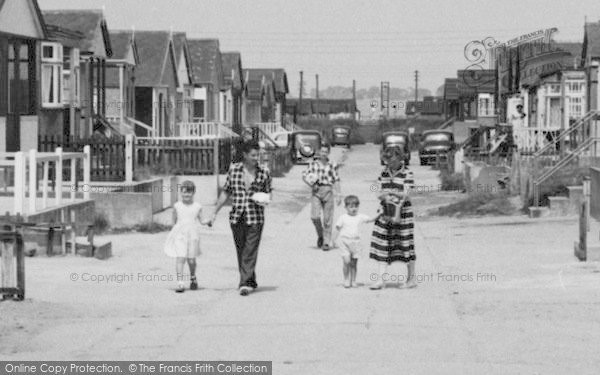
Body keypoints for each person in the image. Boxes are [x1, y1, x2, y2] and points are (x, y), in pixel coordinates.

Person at [209, 140, 272, 296]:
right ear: (244, 155)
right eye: (253, 155)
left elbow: (270, 193)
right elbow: (226, 192)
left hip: (255, 217)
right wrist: (214, 212)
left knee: (250, 250)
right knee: (241, 250)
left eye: (258, 155)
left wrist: (264, 198)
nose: (256, 158)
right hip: (237, 216)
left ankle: (244, 283)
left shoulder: (264, 172)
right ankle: (250, 279)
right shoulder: (234, 170)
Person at [369, 146, 416, 290]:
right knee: (382, 243)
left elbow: (407, 194)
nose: (389, 163)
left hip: (403, 213)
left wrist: (392, 193)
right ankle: (381, 280)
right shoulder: (384, 173)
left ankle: (411, 279)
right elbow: (377, 190)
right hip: (386, 211)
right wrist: (384, 194)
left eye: (392, 160)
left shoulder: (407, 173)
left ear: (399, 158)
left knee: (405, 244)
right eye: (387, 160)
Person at [164, 180, 211, 293]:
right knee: (180, 258)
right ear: (181, 193)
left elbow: (201, 220)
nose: (186, 195)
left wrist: (208, 221)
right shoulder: (177, 206)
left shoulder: (197, 206)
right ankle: (180, 283)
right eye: (184, 192)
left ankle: (193, 277)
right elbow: (174, 221)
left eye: (189, 193)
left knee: (191, 260)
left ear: (193, 193)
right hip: (180, 235)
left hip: (193, 235)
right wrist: (173, 231)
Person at [333, 195, 379, 288]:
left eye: (356, 206)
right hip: (344, 242)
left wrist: (379, 214)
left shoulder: (360, 216)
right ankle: (346, 279)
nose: (354, 209)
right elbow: (337, 228)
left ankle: (353, 280)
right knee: (346, 261)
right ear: (346, 207)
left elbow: (370, 219)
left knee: (354, 263)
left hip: (356, 243)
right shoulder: (343, 217)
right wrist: (333, 240)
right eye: (351, 207)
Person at [302, 144, 342, 251]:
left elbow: (336, 179)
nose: (323, 153)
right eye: (322, 151)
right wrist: (311, 183)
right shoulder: (313, 164)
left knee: (328, 218)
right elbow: (305, 175)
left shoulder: (332, 165)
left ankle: (326, 242)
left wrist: (339, 194)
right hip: (316, 191)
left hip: (328, 190)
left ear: (328, 153)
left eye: (326, 151)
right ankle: (321, 235)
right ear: (319, 152)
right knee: (314, 216)